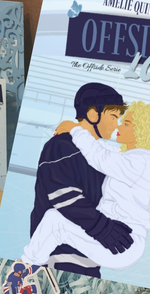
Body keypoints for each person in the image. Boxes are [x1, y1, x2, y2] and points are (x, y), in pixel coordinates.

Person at [24, 100, 150, 271]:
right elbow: (104, 149)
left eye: (126, 124)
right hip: (120, 237)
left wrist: (75, 130)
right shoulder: (135, 160)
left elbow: (100, 157)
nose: (119, 126)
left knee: (53, 220)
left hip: (123, 240)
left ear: (143, 132)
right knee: (55, 222)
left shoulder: (141, 163)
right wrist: (77, 131)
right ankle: (27, 267)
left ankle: (24, 268)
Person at [24, 83, 134, 278]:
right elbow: (65, 198)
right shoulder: (61, 145)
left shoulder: (98, 154)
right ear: (93, 115)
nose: (116, 124)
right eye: (113, 117)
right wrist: (103, 228)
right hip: (56, 258)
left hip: (87, 257)